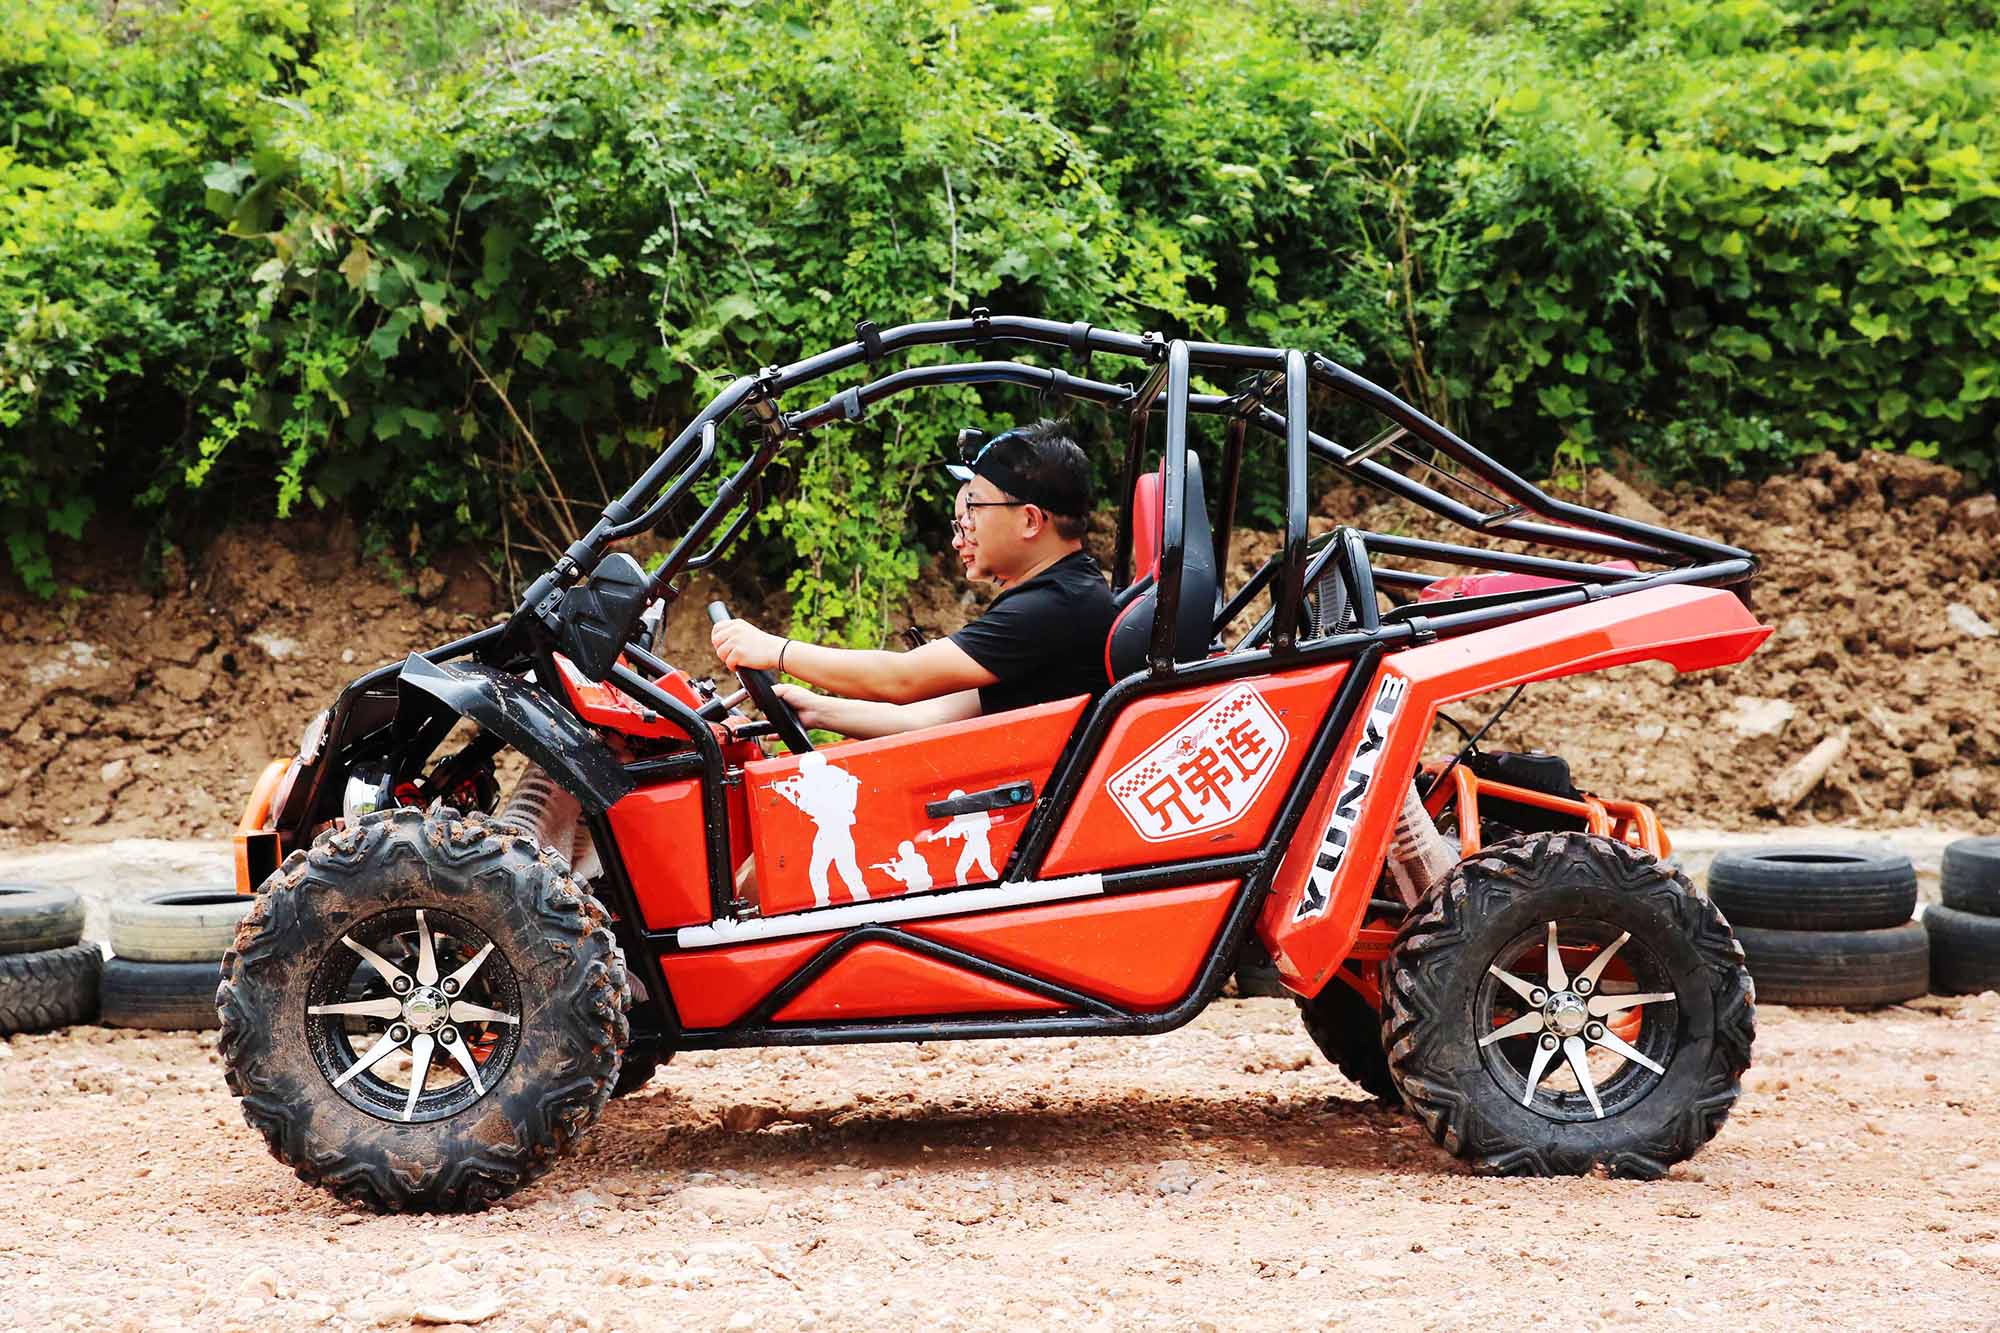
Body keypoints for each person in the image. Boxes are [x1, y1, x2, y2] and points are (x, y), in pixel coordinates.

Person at [710, 418, 1116, 740]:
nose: (966, 530)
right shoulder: (1063, 594)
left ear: (1029, 520)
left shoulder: (1056, 606)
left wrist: (775, 650)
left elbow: (901, 678)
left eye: (974, 509)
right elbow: (931, 719)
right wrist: (818, 710)